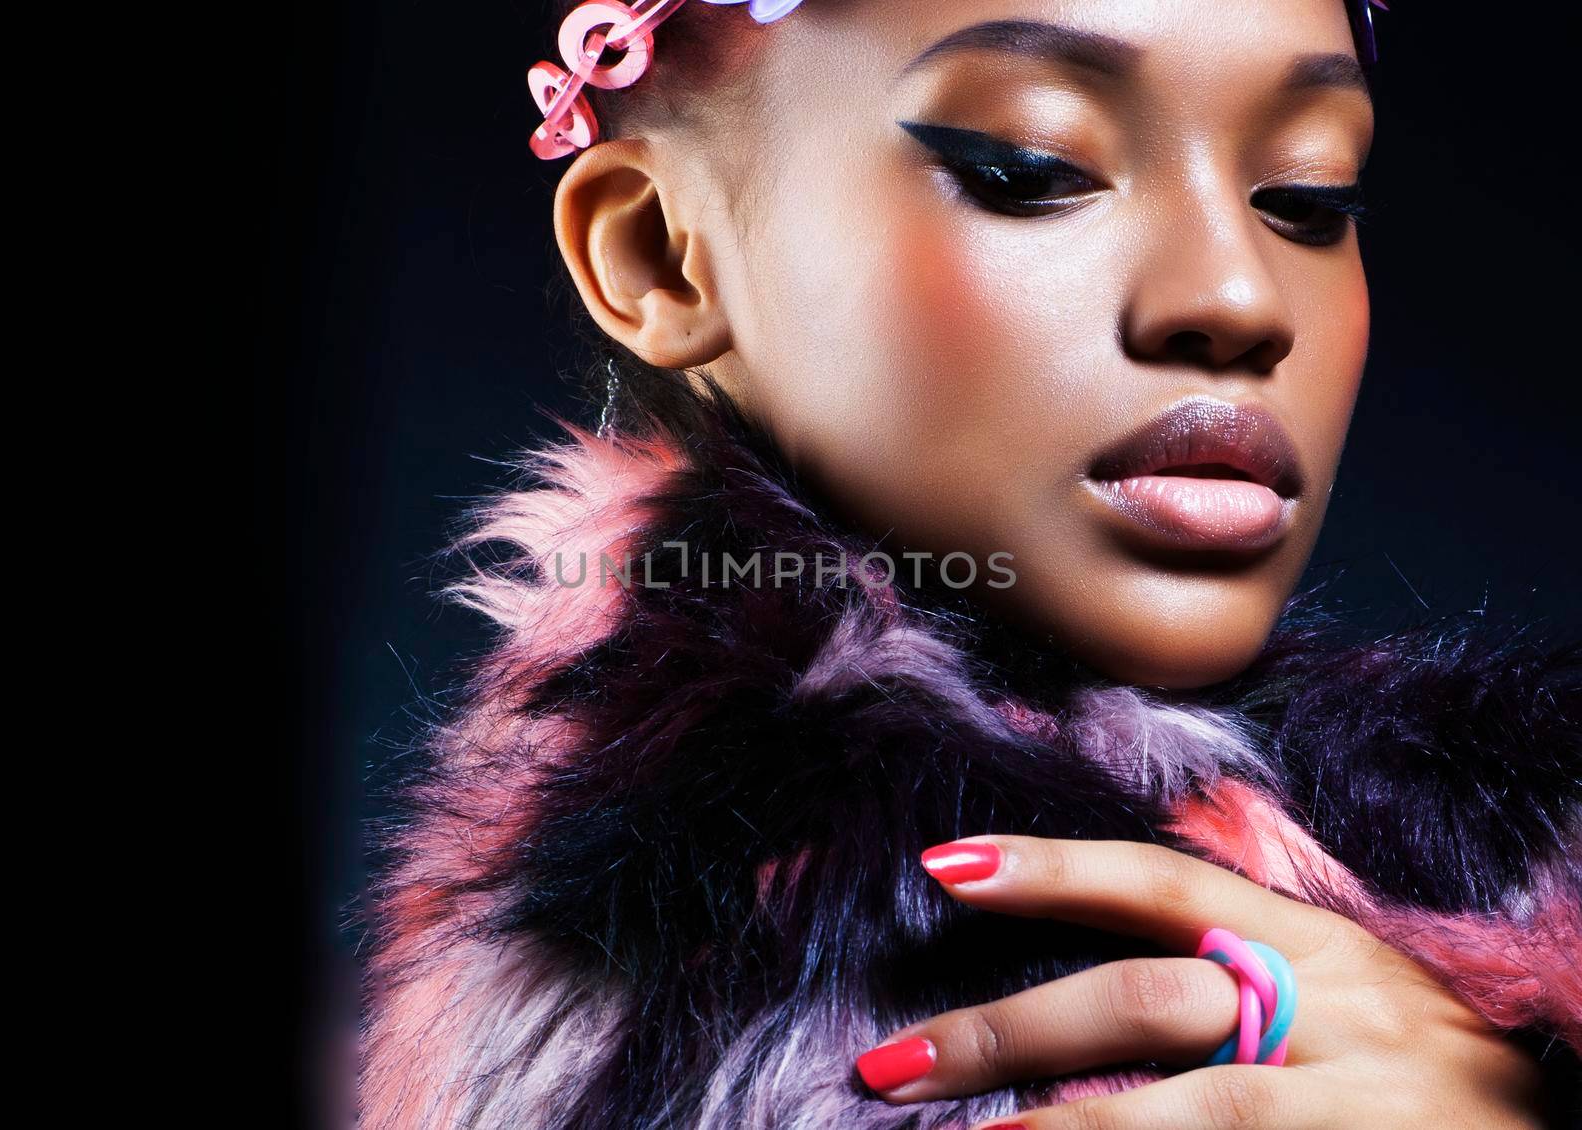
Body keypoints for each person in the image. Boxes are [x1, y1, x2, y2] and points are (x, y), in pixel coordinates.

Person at [359, 1, 1581, 1126]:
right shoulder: (653, 964)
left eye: (1307, 197)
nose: (1236, 293)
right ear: (658, 256)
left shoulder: (1514, 866)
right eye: (1033, 169)